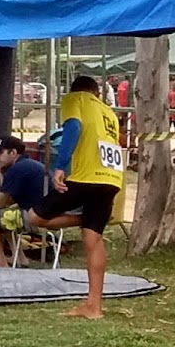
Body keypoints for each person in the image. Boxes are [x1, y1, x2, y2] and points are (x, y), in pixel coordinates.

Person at [28, 76, 125, 320]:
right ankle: (94, 306)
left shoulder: (75, 99)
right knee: (94, 237)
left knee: (35, 217)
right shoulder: (109, 113)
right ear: (98, 93)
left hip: (86, 176)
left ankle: (82, 220)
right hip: (111, 178)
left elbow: (73, 127)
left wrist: (61, 165)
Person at [0, 136, 49, 267]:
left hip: (38, 218)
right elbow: (8, 202)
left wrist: (0, 174)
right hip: (46, 213)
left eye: (0, 153)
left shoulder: (17, 169)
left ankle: (0, 260)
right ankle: (20, 258)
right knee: (6, 216)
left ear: (13, 153)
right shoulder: (29, 164)